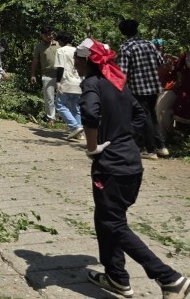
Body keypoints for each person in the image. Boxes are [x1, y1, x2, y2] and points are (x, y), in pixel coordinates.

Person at [75, 38, 190, 299]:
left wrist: (93, 147)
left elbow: (90, 114)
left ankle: (169, 278)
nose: (73, 62)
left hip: (111, 168)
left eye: (76, 59)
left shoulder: (92, 83)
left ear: (86, 61)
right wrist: (125, 140)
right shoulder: (118, 82)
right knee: (106, 219)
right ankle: (116, 277)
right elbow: (140, 116)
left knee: (112, 223)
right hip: (130, 165)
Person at [118, 19, 168, 159]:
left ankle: (150, 150)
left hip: (138, 89)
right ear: (137, 30)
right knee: (152, 116)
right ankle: (161, 147)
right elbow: (161, 63)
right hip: (154, 86)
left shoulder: (126, 47)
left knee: (144, 117)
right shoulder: (149, 44)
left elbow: (122, 71)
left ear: (122, 32)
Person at [54, 31, 84, 141]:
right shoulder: (78, 51)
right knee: (76, 107)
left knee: (60, 105)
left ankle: (75, 126)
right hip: (78, 82)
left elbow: (60, 67)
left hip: (66, 82)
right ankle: (79, 133)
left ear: (61, 41)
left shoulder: (61, 51)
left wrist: (58, 82)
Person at [30, 26, 59, 126]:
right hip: (47, 75)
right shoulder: (39, 47)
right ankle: (51, 119)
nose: (49, 36)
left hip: (61, 75)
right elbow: (35, 61)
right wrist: (33, 74)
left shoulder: (59, 44)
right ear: (42, 36)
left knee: (62, 97)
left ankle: (65, 118)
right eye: (47, 35)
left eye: (51, 34)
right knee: (49, 98)